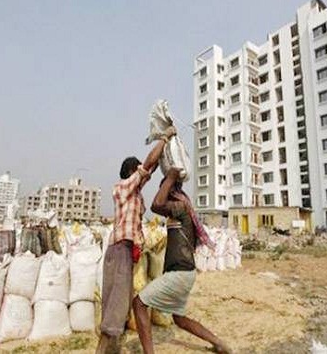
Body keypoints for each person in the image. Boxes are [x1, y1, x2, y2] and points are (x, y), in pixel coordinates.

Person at [132, 168, 232, 354]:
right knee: (179, 319)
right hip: (183, 272)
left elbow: (156, 204)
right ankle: (219, 344)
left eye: (164, 189)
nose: (161, 193)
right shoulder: (178, 211)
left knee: (138, 303)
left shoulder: (180, 207)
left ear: (171, 191)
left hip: (180, 273)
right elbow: (153, 207)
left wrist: (169, 178)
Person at [96, 126, 177, 354]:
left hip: (126, 251)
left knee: (117, 301)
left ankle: (108, 347)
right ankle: (103, 349)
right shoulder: (122, 188)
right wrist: (165, 137)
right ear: (132, 170)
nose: (147, 175)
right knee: (117, 303)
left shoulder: (136, 195)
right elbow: (149, 165)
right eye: (139, 169)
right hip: (119, 249)